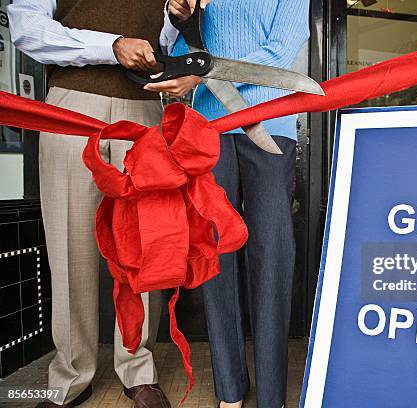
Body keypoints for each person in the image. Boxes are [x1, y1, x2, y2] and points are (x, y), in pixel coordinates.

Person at [7, 1, 171, 407]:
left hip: (146, 112)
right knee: (69, 246)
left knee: (142, 247)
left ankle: (139, 368)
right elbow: (25, 28)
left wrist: (181, 22)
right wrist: (110, 46)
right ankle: (70, 375)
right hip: (72, 106)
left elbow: (163, 44)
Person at [152, 0, 310, 407]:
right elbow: (176, 54)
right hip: (209, 128)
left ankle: (272, 394)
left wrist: (202, 71)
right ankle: (229, 389)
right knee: (216, 252)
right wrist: (181, 20)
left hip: (270, 123)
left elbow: (278, 54)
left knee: (271, 252)